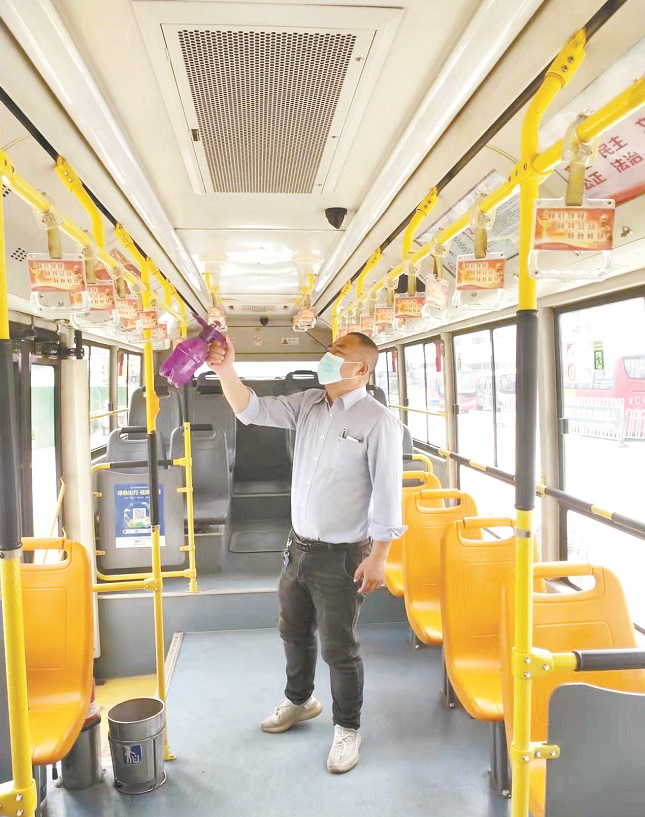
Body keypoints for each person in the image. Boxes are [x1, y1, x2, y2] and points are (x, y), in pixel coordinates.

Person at [206, 332, 405, 774]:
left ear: (361, 370)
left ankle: (347, 727)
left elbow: (388, 495)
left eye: (339, 353)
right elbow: (250, 409)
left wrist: (380, 555)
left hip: (343, 555)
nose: (328, 357)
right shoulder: (309, 403)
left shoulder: (378, 421)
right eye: (329, 350)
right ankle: (300, 700)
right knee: (293, 630)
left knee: (340, 648)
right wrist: (226, 370)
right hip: (298, 548)